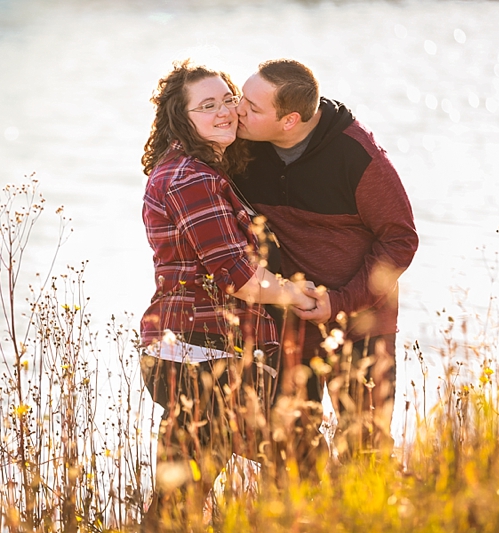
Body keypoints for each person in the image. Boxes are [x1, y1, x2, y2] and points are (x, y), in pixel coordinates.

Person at [139, 60, 315, 531]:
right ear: (183, 118)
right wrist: (299, 295)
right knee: (294, 462)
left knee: (180, 499)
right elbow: (239, 276)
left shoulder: (196, 169)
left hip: (200, 350)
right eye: (207, 106)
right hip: (200, 354)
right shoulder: (191, 178)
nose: (223, 112)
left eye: (227, 100)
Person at [232, 59, 419, 457]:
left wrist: (340, 301)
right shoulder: (241, 145)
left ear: (289, 121)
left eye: (252, 106)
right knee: (290, 449)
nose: (237, 109)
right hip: (287, 324)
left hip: (362, 322)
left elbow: (400, 239)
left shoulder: (358, 156)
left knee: (365, 450)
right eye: (240, 97)